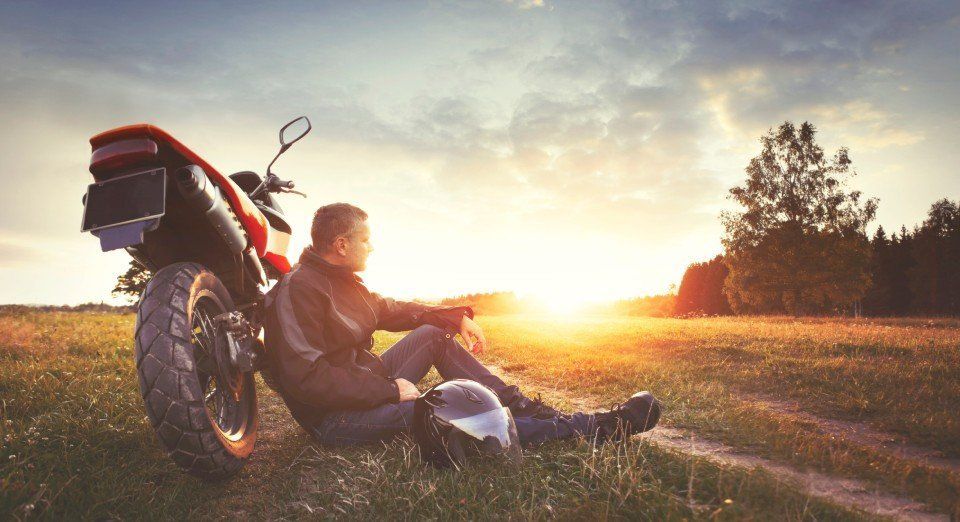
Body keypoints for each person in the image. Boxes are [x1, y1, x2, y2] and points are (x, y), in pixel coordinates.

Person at [262, 203, 660, 448]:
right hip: (335, 418)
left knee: (434, 335)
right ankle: (590, 428)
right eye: (366, 240)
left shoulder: (345, 282)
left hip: (365, 383)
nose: (373, 247)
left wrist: (454, 316)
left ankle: (520, 404)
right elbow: (306, 380)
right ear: (342, 245)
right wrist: (388, 389)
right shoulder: (298, 289)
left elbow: (393, 308)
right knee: (448, 411)